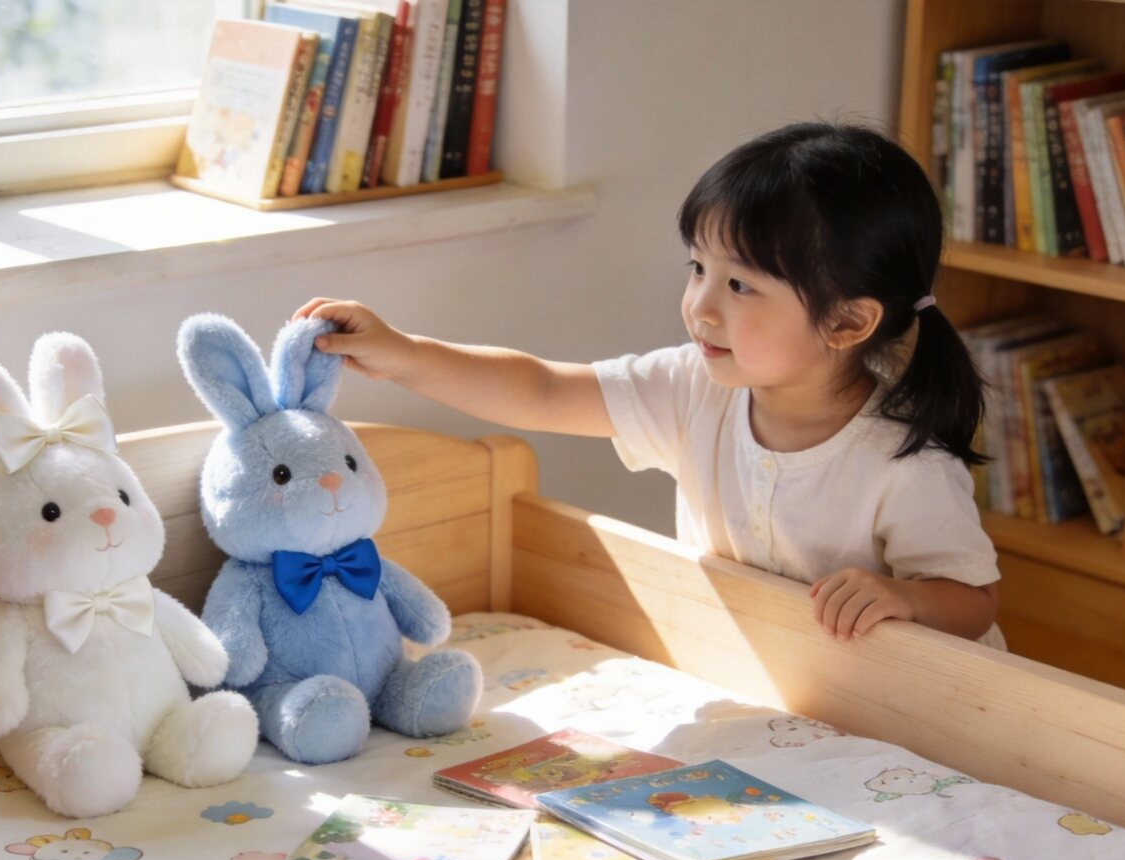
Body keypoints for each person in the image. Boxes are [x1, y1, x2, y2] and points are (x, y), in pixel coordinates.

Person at [294, 121, 1003, 647]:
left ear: (846, 322)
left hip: (912, 705)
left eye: (740, 285)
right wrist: (405, 353)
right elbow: (542, 390)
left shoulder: (903, 461)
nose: (701, 306)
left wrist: (907, 600)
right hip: (778, 682)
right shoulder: (695, 388)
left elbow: (975, 602)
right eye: (698, 269)